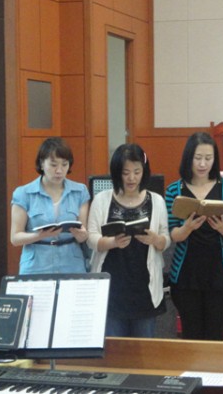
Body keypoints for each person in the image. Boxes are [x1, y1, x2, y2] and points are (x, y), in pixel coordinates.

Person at [87, 143, 170, 338]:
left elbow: (166, 240)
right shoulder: (102, 199)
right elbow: (91, 238)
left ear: (144, 171)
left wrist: (155, 239)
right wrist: (112, 242)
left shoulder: (156, 201)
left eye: (137, 172)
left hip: (145, 286)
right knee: (115, 348)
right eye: (125, 173)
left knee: (143, 348)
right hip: (113, 285)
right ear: (117, 173)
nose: (132, 178)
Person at [165, 132, 223, 341]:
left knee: (216, 335)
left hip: (220, 273)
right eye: (198, 158)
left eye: (208, 158)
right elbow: (173, 234)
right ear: (188, 158)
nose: (203, 164)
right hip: (186, 274)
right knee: (191, 333)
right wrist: (187, 228)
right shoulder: (174, 189)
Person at [10, 137, 90, 275]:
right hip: (36, 265)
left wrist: (82, 235)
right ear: (42, 164)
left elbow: (83, 235)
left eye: (64, 164)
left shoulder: (80, 191)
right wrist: (39, 235)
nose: (59, 170)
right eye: (53, 165)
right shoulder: (24, 193)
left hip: (71, 264)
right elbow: (15, 238)